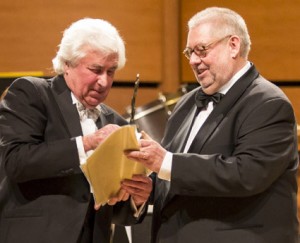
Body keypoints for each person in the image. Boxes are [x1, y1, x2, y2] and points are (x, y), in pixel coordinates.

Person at [124, 7, 299, 243]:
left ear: (233, 46)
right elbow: (178, 177)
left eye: (202, 50)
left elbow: (246, 174)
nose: (194, 61)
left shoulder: (269, 103)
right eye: (190, 52)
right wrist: (150, 189)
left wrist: (164, 161)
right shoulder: (186, 103)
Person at [0, 18, 152, 243]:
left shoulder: (115, 123)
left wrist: (137, 199)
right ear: (67, 64)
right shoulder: (32, 93)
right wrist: (89, 142)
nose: (104, 82)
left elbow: (116, 210)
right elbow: (16, 162)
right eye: (95, 69)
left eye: (111, 72)